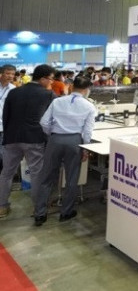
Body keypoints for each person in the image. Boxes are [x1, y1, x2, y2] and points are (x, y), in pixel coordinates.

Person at [34, 76, 97, 225]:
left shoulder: (57, 101)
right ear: (87, 89)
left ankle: (40, 214)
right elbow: (87, 131)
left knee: (47, 177)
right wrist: (86, 148)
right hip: (74, 141)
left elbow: (44, 122)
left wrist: (52, 134)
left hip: (55, 139)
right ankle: (66, 212)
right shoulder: (89, 106)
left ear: (72, 86)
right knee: (72, 177)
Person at [0, 65, 56, 219]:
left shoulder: (14, 92)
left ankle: (1, 207)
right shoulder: (48, 94)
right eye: (51, 79)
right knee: (36, 174)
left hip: (11, 138)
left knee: (6, 173)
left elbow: (5, 116)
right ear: (43, 78)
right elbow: (52, 119)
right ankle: (38, 208)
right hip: (34, 138)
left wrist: (8, 135)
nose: (51, 82)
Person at [0, 64, 17, 173]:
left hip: (5, 125)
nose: (10, 76)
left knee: (2, 152)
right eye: (7, 73)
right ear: (1, 74)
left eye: (12, 74)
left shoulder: (13, 89)